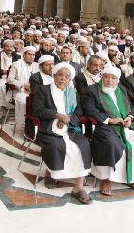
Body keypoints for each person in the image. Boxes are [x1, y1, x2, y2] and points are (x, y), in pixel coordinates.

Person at [82, 65, 134, 194]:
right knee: (110, 144)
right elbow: (89, 109)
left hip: (125, 127)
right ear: (102, 77)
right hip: (105, 127)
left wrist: (130, 117)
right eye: (106, 77)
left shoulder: (122, 89)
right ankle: (106, 179)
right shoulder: (91, 90)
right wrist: (109, 120)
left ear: (117, 80)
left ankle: (133, 178)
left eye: (113, 78)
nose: (109, 80)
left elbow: (130, 106)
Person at [32, 63, 92, 204]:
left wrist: (68, 119)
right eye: (60, 75)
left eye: (66, 76)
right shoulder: (43, 90)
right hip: (49, 127)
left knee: (83, 146)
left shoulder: (73, 93)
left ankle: (79, 187)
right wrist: (57, 115)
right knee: (55, 146)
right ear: (54, 76)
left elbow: (78, 112)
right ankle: (51, 172)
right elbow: (37, 110)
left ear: (70, 79)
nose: (62, 78)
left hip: (70, 128)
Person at [6, 46, 39, 129]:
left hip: (35, 91)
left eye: (33, 55)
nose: (32, 57)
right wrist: (23, 85)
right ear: (24, 55)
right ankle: (22, 125)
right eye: (29, 54)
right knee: (25, 102)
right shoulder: (16, 64)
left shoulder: (37, 66)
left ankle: (35, 126)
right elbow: (9, 80)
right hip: (19, 91)